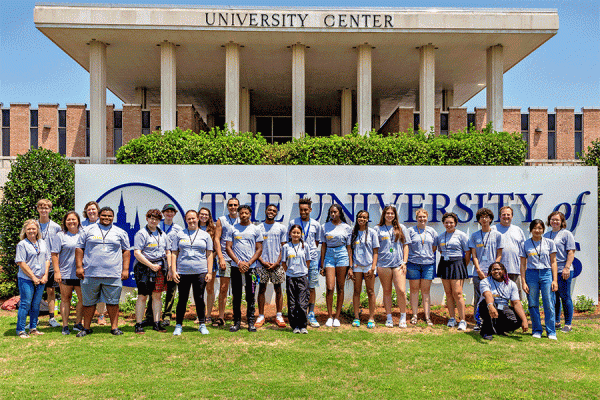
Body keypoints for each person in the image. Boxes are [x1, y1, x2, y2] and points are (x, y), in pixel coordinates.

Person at [75, 207, 131, 337]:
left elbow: (126, 251)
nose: (107, 218)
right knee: (88, 303)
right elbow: (79, 249)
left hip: (113, 273)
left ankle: (114, 328)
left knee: (113, 302)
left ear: (113, 217)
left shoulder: (120, 232)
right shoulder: (87, 230)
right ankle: (86, 328)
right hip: (90, 273)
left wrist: (125, 269)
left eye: (110, 216)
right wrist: (79, 267)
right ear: (99, 215)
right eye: (104, 215)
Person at [170, 210, 214, 336]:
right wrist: (173, 271)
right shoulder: (179, 234)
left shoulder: (205, 235)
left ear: (197, 219)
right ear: (186, 220)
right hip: (183, 272)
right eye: (189, 219)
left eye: (193, 218)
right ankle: (178, 325)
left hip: (200, 271)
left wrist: (209, 272)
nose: (191, 221)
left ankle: (202, 324)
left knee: (199, 298)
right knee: (182, 299)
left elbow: (209, 254)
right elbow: (174, 253)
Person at [226, 204, 263, 332]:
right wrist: (238, 262)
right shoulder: (232, 228)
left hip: (251, 268)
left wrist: (248, 263)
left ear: (250, 214)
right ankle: (236, 322)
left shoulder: (256, 229)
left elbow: (259, 249)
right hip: (236, 267)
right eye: (241, 213)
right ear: (238, 213)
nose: (243, 215)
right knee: (236, 295)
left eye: (246, 213)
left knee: (251, 295)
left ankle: (250, 322)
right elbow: (228, 247)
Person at [145, 203, 183, 327]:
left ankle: (167, 316)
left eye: (172, 211)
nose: (169, 214)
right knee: (154, 289)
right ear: (163, 213)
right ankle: (150, 316)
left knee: (171, 290)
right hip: (159, 261)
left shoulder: (178, 229)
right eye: (167, 211)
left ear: (175, 214)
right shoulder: (157, 225)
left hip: (172, 260)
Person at [520, 219, 558, 340]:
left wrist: (554, 280)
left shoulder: (550, 242)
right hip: (531, 274)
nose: (537, 230)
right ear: (531, 229)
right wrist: (523, 281)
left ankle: (551, 331)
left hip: (546, 273)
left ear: (543, 230)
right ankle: (537, 330)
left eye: (540, 228)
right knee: (533, 303)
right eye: (535, 228)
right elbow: (522, 264)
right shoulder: (525, 244)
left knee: (549, 303)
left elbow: (553, 262)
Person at [133, 209, 170, 334]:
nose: (153, 221)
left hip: (159, 268)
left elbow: (167, 251)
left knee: (157, 296)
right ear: (147, 218)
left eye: (156, 219)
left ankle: (156, 323)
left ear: (160, 221)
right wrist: (150, 265)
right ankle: (138, 324)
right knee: (142, 296)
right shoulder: (141, 233)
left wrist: (168, 267)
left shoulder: (162, 234)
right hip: (144, 268)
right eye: (151, 218)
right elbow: (137, 253)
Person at [288, 197, 323, 327]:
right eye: (301, 210)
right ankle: (298, 313)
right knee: (297, 287)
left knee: (311, 287)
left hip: (312, 259)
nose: (303, 212)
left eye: (306, 210)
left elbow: (317, 241)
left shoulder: (316, 224)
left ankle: (311, 314)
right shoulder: (293, 222)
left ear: (310, 210)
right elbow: (289, 240)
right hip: (297, 260)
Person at [375, 205, 411, 328]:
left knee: (401, 291)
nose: (390, 215)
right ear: (384, 215)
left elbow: (406, 245)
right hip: (383, 264)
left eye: (392, 213)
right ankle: (389, 317)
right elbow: (375, 248)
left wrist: (404, 262)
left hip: (398, 264)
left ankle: (402, 317)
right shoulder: (377, 229)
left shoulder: (401, 228)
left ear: (395, 215)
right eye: (387, 213)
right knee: (387, 291)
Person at [434, 212, 470, 331]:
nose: (449, 224)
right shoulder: (440, 236)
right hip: (445, 264)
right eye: (446, 222)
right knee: (448, 293)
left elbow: (467, 252)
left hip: (458, 263)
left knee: (457, 293)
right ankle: (452, 318)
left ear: (455, 223)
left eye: (451, 222)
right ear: (443, 223)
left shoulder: (461, 235)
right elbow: (440, 251)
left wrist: (462, 265)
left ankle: (463, 320)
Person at [468, 208, 503, 331]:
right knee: (479, 298)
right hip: (479, 273)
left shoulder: (497, 235)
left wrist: (494, 270)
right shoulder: (474, 236)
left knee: (495, 297)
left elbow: (499, 254)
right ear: (478, 220)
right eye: (481, 217)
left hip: (493, 273)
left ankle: (494, 322)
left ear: (490, 219)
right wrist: (478, 270)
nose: (484, 219)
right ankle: (479, 321)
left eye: (486, 217)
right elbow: (474, 255)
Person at [15, 220, 51, 338]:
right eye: (29, 229)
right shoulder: (22, 244)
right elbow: (21, 262)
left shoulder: (42, 242)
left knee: (36, 304)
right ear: (25, 231)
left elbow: (47, 259)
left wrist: (45, 275)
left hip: (41, 279)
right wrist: (33, 277)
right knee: (25, 303)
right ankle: (20, 330)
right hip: (26, 279)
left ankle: (33, 328)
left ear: (37, 230)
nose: (31, 231)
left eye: (33, 229)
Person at [51, 211, 84, 335]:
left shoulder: (83, 234)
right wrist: (57, 272)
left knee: (82, 299)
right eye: (68, 219)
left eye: (73, 219)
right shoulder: (60, 235)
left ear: (78, 221)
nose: (71, 222)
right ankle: (65, 325)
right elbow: (54, 254)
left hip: (81, 273)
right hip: (65, 273)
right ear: (65, 222)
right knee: (65, 299)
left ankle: (78, 323)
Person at [320, 204, 352, 328]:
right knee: (330, 287)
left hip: (342, 255)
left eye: (335, 212)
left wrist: (350, 266)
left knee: (340, 287)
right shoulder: (325, 226)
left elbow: (349, 248)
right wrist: (322, 264)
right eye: (331, 212)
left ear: (340, 213)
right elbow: (323, 246)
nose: (333, 214)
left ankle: (337, 317)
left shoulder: (346, 227)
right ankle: (329, 316)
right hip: (329, 255)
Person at [477, 262, 528, 340]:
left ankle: (498, 329)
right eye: (493, 269)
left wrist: (524, 320)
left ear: (503, 271)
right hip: (488, 305)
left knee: (518, 320)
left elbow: (516, 303)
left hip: (503, 308)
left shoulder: (511, 284)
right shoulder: (485, 281)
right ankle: (486, 331)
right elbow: (487, 294)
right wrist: (491, 306)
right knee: (485, 304)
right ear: (490, 271)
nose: (496, 271)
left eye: (498, 269)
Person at [544, 211, 576, 332]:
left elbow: (571, 252)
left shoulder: (566, 234)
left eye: (557, 220)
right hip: (551, 270)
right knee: (554, 297)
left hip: (563, 269)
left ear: (562, 222)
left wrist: (567, 268)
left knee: (565, 296)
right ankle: (556, 321)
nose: (554, 222)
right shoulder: (546, 235)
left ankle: (568, 324)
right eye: (552, 219)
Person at [256, 204, 287, 328]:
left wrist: (277, 263)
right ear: (265, 211)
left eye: (274, 211)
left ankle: (279, 315)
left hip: (276, 265)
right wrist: (262, 261)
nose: (271, 212)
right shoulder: (258, 228)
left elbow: (283, 247)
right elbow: (256, 247)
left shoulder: (281, 228)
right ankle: (261, 316)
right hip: (261, 264)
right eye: (269, 210)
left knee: (278, 290)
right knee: (261, 289)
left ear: (276, 213)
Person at [406, 208, 438, 326]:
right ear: (416, 218)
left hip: (428, 264)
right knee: (414, 290)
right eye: (420, 217)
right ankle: (414, 315)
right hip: (413, 264)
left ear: (427, 218)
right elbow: (407, 247)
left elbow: (434, 247)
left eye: (424, 217)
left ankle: (427, 316)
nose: (422, 219)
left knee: (426, 291)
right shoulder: (410, 231)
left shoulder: (432, 231)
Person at [349, 210, 379, 329]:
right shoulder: (353, 233)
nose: (362, 219)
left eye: (364, 217)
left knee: (370, 291)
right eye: (360, 217)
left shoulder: (372, 233)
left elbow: (376, 252)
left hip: (368, 266)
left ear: (367, 219)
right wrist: (350, 267)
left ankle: (371, 318)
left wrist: (373, 268)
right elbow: (350, 251)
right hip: (356, 266)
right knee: (356, 291)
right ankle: (356, 317)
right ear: (357, 218)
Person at [81, 200, 108, 326]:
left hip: (101, 262)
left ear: (98, 211)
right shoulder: (81, 226)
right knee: (86, 291)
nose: (91, 211)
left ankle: (101, 315)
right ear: (86, 212)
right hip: (86, 263)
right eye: (89, 209)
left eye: (93, 209)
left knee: (101, 290)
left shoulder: (104, 225)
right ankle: (85, 316)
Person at [36, 199, 62, 328]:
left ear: (50, 210)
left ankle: (52, 318)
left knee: (51, 291)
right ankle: (34, 317)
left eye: (46, 208)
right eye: (41, 207)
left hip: (51, 265)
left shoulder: (56, 227)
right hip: (36, 265)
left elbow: (59, 247)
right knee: (36, 292)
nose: (44, 210)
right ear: (38, 209)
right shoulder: (33, 225)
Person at [214, 197, 239, 327]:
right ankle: (221, 317)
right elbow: (217, 239)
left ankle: (237, 316)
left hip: (239, 260)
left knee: (238, 289)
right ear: (227, 207)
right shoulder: (221, 220)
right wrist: (220, 257)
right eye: (230, 205)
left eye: (235, 205)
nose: (233, 207)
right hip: (226, 259)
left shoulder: (244, 219)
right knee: (224, 288)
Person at [492, 206, 526, 298]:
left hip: (515, 269)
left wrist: (524, 266)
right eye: (503, 214)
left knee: (516, 298)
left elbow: (523, 250)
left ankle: (516, 313)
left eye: (508, 214)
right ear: (499, 216)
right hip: (498, 271)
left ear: (512, 216)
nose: (506, 216)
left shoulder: (518, 230)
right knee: (499, 297)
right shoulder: (493, 229)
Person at [282, 225, 311, 334]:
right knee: (292, 302)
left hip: (302, 277)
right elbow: (284, 263)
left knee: (302, 303)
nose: (295, 235)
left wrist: (304, 271)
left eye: (298, 233)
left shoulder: (305, 246)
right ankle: (295, 326)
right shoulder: (286, 246)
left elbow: (308, 261)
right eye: (293, 232)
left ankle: (303, 325)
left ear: (301, 234)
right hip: (291, 277)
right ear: (290, 234)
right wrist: (289, 272)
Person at [198, 207, 217, 324]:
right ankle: (199, 315)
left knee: (209, 289)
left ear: (209, 217)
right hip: (197, 262)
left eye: (206, 215)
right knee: (198, 290)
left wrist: (211, 257)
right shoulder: (193, 228)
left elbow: (216, 247)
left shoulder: (213, 230)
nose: (204, 216)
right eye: (202, 214)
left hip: (211, 262)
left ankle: (208, 315)